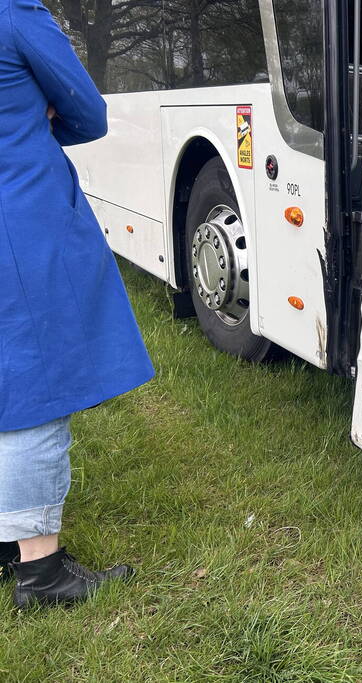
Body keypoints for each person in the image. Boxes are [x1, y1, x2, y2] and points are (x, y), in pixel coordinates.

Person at [0, 0, 155, 608]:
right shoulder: (14, 13)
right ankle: (41, 571)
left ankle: (6, 542)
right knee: (36, 387)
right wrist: (39, 117)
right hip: (20, 218)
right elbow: (89, 113)